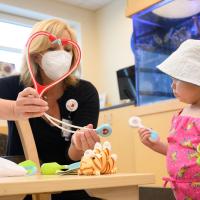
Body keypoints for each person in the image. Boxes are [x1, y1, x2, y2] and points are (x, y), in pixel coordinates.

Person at [0, 18, 101, 200]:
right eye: (52, 48)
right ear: (36, 55)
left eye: (68, 49)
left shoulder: (85, 92)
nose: (62, 55)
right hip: (22, 186)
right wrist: (14, 109)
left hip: (68, 183)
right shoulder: (14, 86)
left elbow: (72, 157)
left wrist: (79, 146)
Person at [138, 39, 200, 200]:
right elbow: (177, 153)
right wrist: (157, 144)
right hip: (179, 190)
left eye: (177, 79)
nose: (172, 86)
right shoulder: (180, 115)